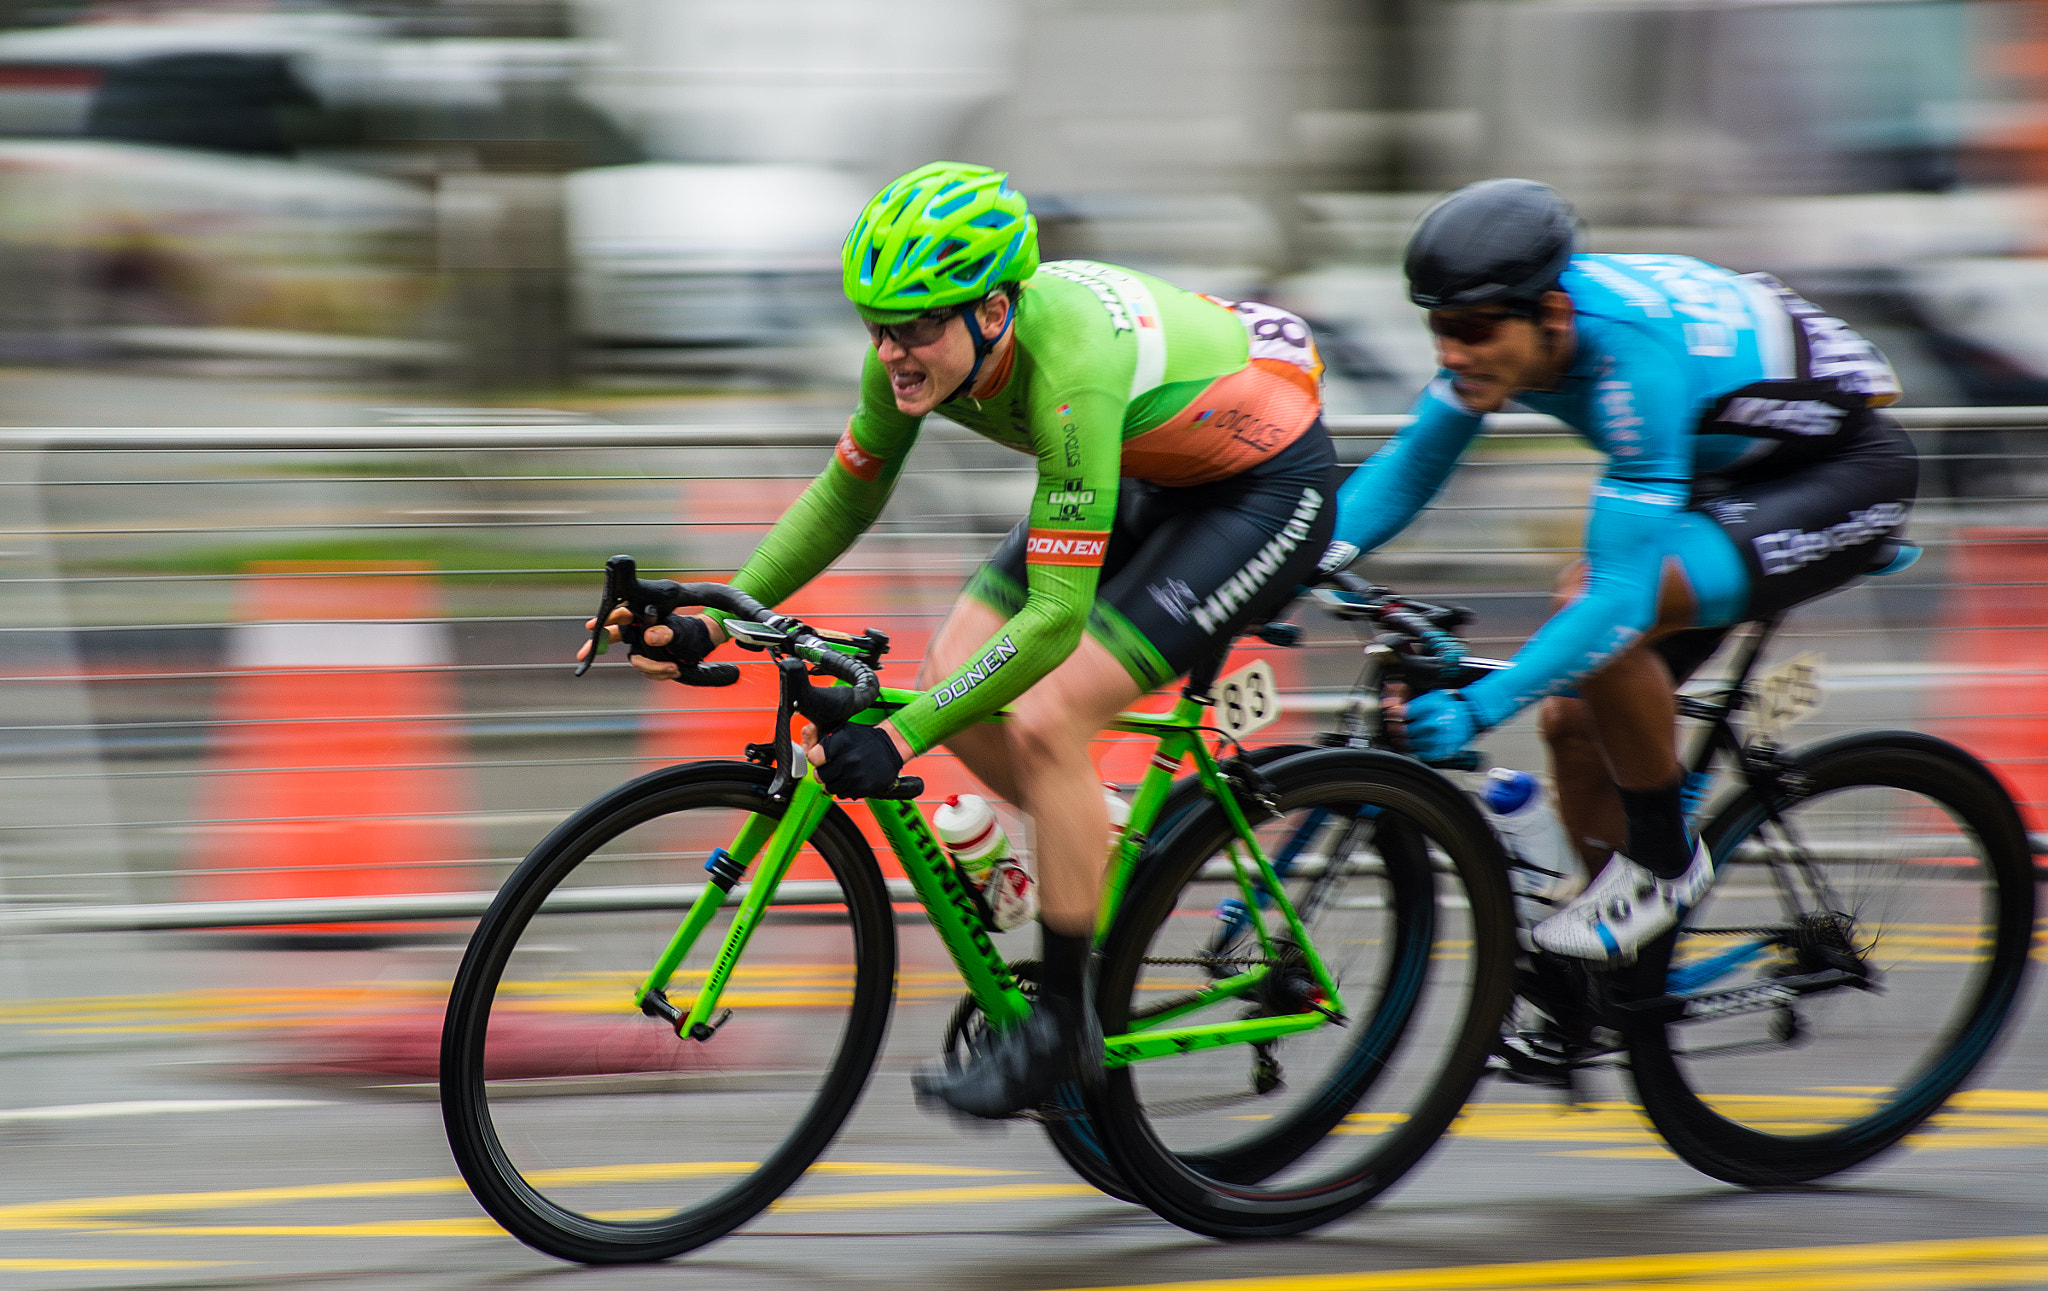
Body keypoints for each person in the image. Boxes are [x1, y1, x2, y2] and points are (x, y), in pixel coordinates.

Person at [586, 161, 1336, 1118]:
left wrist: (897, 743)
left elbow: (1055, 620)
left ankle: (1064, 1021)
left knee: (1047, 716)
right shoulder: (914, 350)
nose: (893, 351)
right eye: (877, 324)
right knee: (950, 668)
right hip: (1148, 467)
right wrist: (712, 614)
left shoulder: (1068, 372)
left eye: (917, 328)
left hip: (1261, 489)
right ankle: (1093, 842)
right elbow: (846, 495)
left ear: (992, 311)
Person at [1325, 178, 1915, 966]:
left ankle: (1665, 864)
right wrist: (1305, 557)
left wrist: (1479, 707)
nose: (1450, 352)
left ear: (1552, 314)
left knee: (1597, 615)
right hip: (1726, 469)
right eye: (1438, 327)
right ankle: (1616, 970)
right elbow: (1410, 468)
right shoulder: (1510, 335)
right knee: (1570, 722)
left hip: (1840, 474)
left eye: (1470, 328)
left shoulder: (1631, 357)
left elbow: (1618, 600)